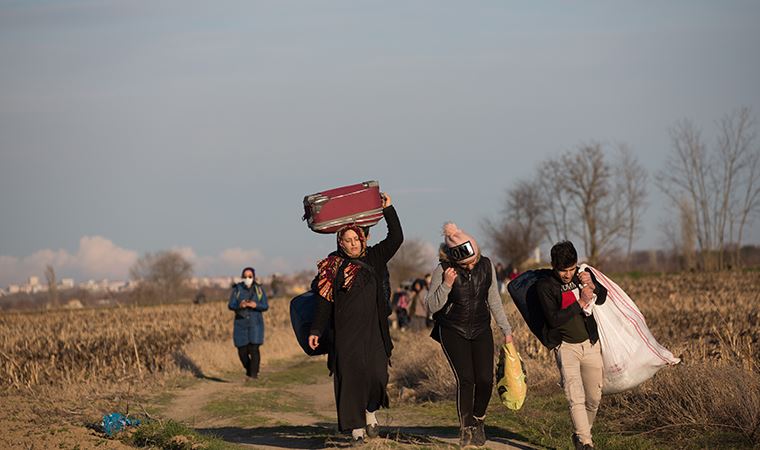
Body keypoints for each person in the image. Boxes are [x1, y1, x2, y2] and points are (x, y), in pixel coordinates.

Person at [308, 193, 402, 446]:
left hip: (375, 332)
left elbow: (396, 238)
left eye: (355, 239)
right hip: (345, 334)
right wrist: (316, 329)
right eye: (347, 240)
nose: (352, 244)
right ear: (341, 243)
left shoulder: (375, 258)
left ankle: (370, 410)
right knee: (350, 379)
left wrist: (389, 209)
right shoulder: (332, 266)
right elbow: (324, 300)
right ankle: (356, 430)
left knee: (376, 376)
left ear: (362, 240)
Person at [426, 223, 514, 449]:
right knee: (466, 379)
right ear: (456, 260)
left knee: (485, 379)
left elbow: (494, 299)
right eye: (467, 263)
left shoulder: (486, 266)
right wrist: (446, 284)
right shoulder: (443, 270)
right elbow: (432, 307)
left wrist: (506, 330)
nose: (472, 265)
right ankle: (465, 427)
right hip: (452, 330)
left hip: (481, 328)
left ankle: (479, 420)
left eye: (475, 259)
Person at [536, 241, 607, 450]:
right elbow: (553, 319)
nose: (568, 274)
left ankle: (581, 436)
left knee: (594, 398)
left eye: (571, 268)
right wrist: (580, 303)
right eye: (562, 270)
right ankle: (586, 443)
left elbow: (602, 298)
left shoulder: (581, 275)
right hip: (566, 347)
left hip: (590, 344)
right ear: (553, 265)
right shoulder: (545, 286)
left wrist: (592, 285)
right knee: (575, 396)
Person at [228, 267, 269, 379]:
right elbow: (230, 305)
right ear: (242, 277)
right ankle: (249, 370)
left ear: (254, 277)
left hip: (255, 323)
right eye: (245, 276)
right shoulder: (237, 289)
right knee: (242, 351)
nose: (248, 278)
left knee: (254, 349)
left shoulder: (259, 290)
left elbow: (265, 306)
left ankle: (254, 375)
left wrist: (256, 305)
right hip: (240, 323)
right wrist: (239, 305)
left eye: (250, 276)